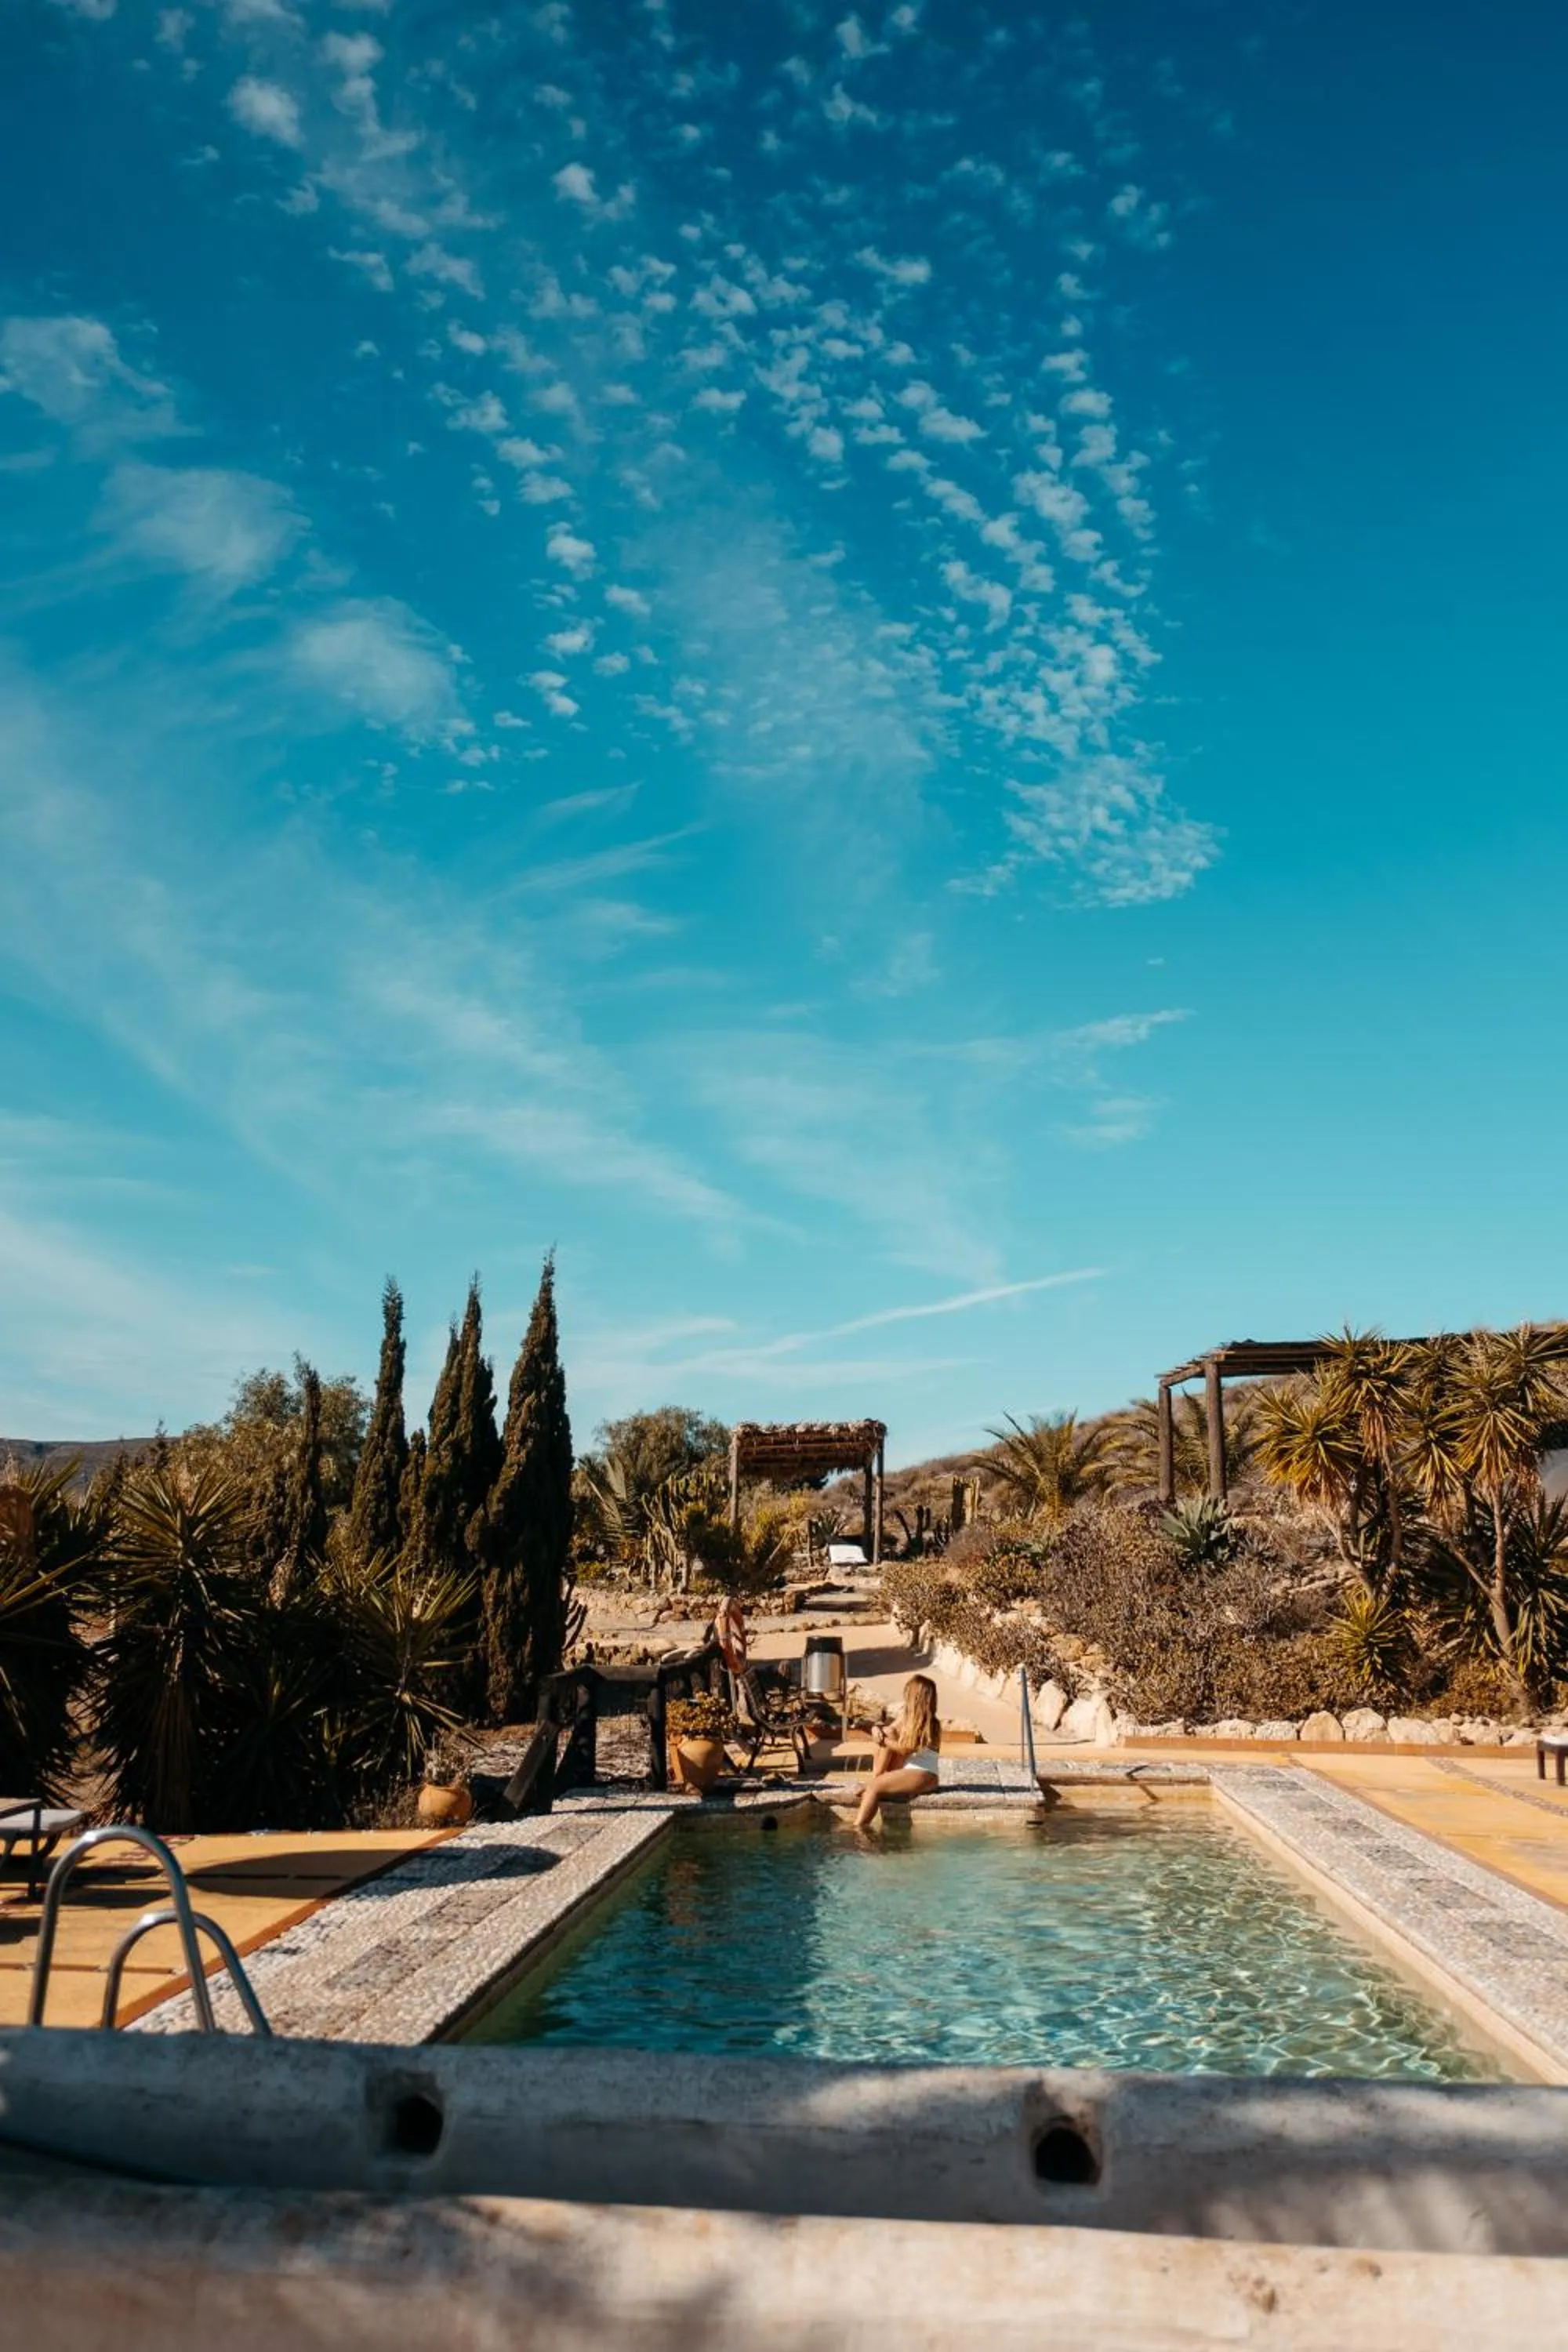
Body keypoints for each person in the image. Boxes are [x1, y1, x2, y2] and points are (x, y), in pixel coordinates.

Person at [855, 1672, 941, 1829]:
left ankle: (858, 1830)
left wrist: (882, 1740)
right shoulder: (906, 1716)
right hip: (907, 1771)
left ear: (916, 1698)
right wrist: (876, 1730)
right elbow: (889, 1730)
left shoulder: (931, 1724)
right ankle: (877, 1779)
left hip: (925, 1774)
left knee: (874, 1789)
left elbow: (905, 1750)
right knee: (888, 1732)